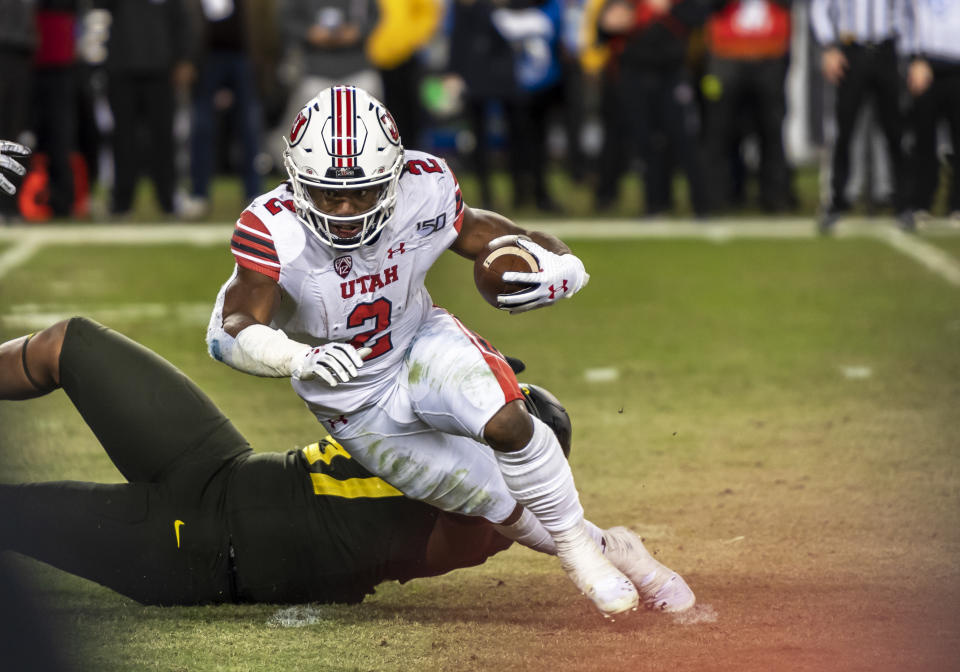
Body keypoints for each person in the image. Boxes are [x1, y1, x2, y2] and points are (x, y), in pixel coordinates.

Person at [206, 84, 694, 617]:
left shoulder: (424, 184)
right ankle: (619, 549)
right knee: (493, 502)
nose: (345, 210)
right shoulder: (272, 226)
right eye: (328, 195)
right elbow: (231, 328)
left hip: (418, 341)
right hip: (350, 396)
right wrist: (295, 358)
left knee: (507, 420)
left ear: (392, 179)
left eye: (363, 193)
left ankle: (579, 549)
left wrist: (564, 264)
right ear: (298, 183)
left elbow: (494, 236)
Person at [1, 316, 687, 611]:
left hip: (202, 553)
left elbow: (473, 521)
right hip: (219, 466)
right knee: (71, 343)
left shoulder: (481, 523)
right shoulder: (425, 420)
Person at [810, 0, 912, 233]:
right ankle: (836, 200)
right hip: (850, 49)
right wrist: (828, 46)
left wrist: (909, 51)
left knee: (895, 130)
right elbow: (819, 8)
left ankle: (903, 202)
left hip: (887, 49)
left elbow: (909, 11)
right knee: (844, 130)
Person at [95, 0, 196, 218]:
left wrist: (185, 57)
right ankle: (121, 202)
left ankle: (169, 200)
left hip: (160, 68)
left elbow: (181, 18)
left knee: (163, 138)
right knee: (123, 139)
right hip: (121, 67)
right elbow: (99, 9)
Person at [901, 0, 960, 220]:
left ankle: (957, 203)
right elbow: (905, 17)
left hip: (957, 61)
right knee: (923, 137)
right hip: (926, 64)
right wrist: (915, 58)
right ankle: (921, 202)